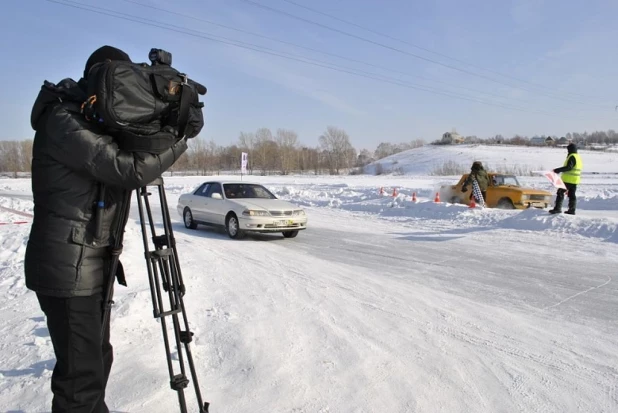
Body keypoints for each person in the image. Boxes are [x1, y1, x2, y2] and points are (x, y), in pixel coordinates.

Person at [25, 45, 188, 412]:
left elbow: (131, 157)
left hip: (88, 267)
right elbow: (129, 170)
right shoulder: (65, 121)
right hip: (68, 270)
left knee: (96, 361)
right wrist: (181, 138)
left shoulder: (92, 122)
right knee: (81, 380)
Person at [549, 143, 582, 215]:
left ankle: (557, 209)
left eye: (568, 149)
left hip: (568, 179)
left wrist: (557, 170)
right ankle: (572, 210)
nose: (567, 151)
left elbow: (569, 167)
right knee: (572, 195)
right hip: (575, 180)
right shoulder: (577, 157)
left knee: (560, 192)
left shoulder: (572, 156)